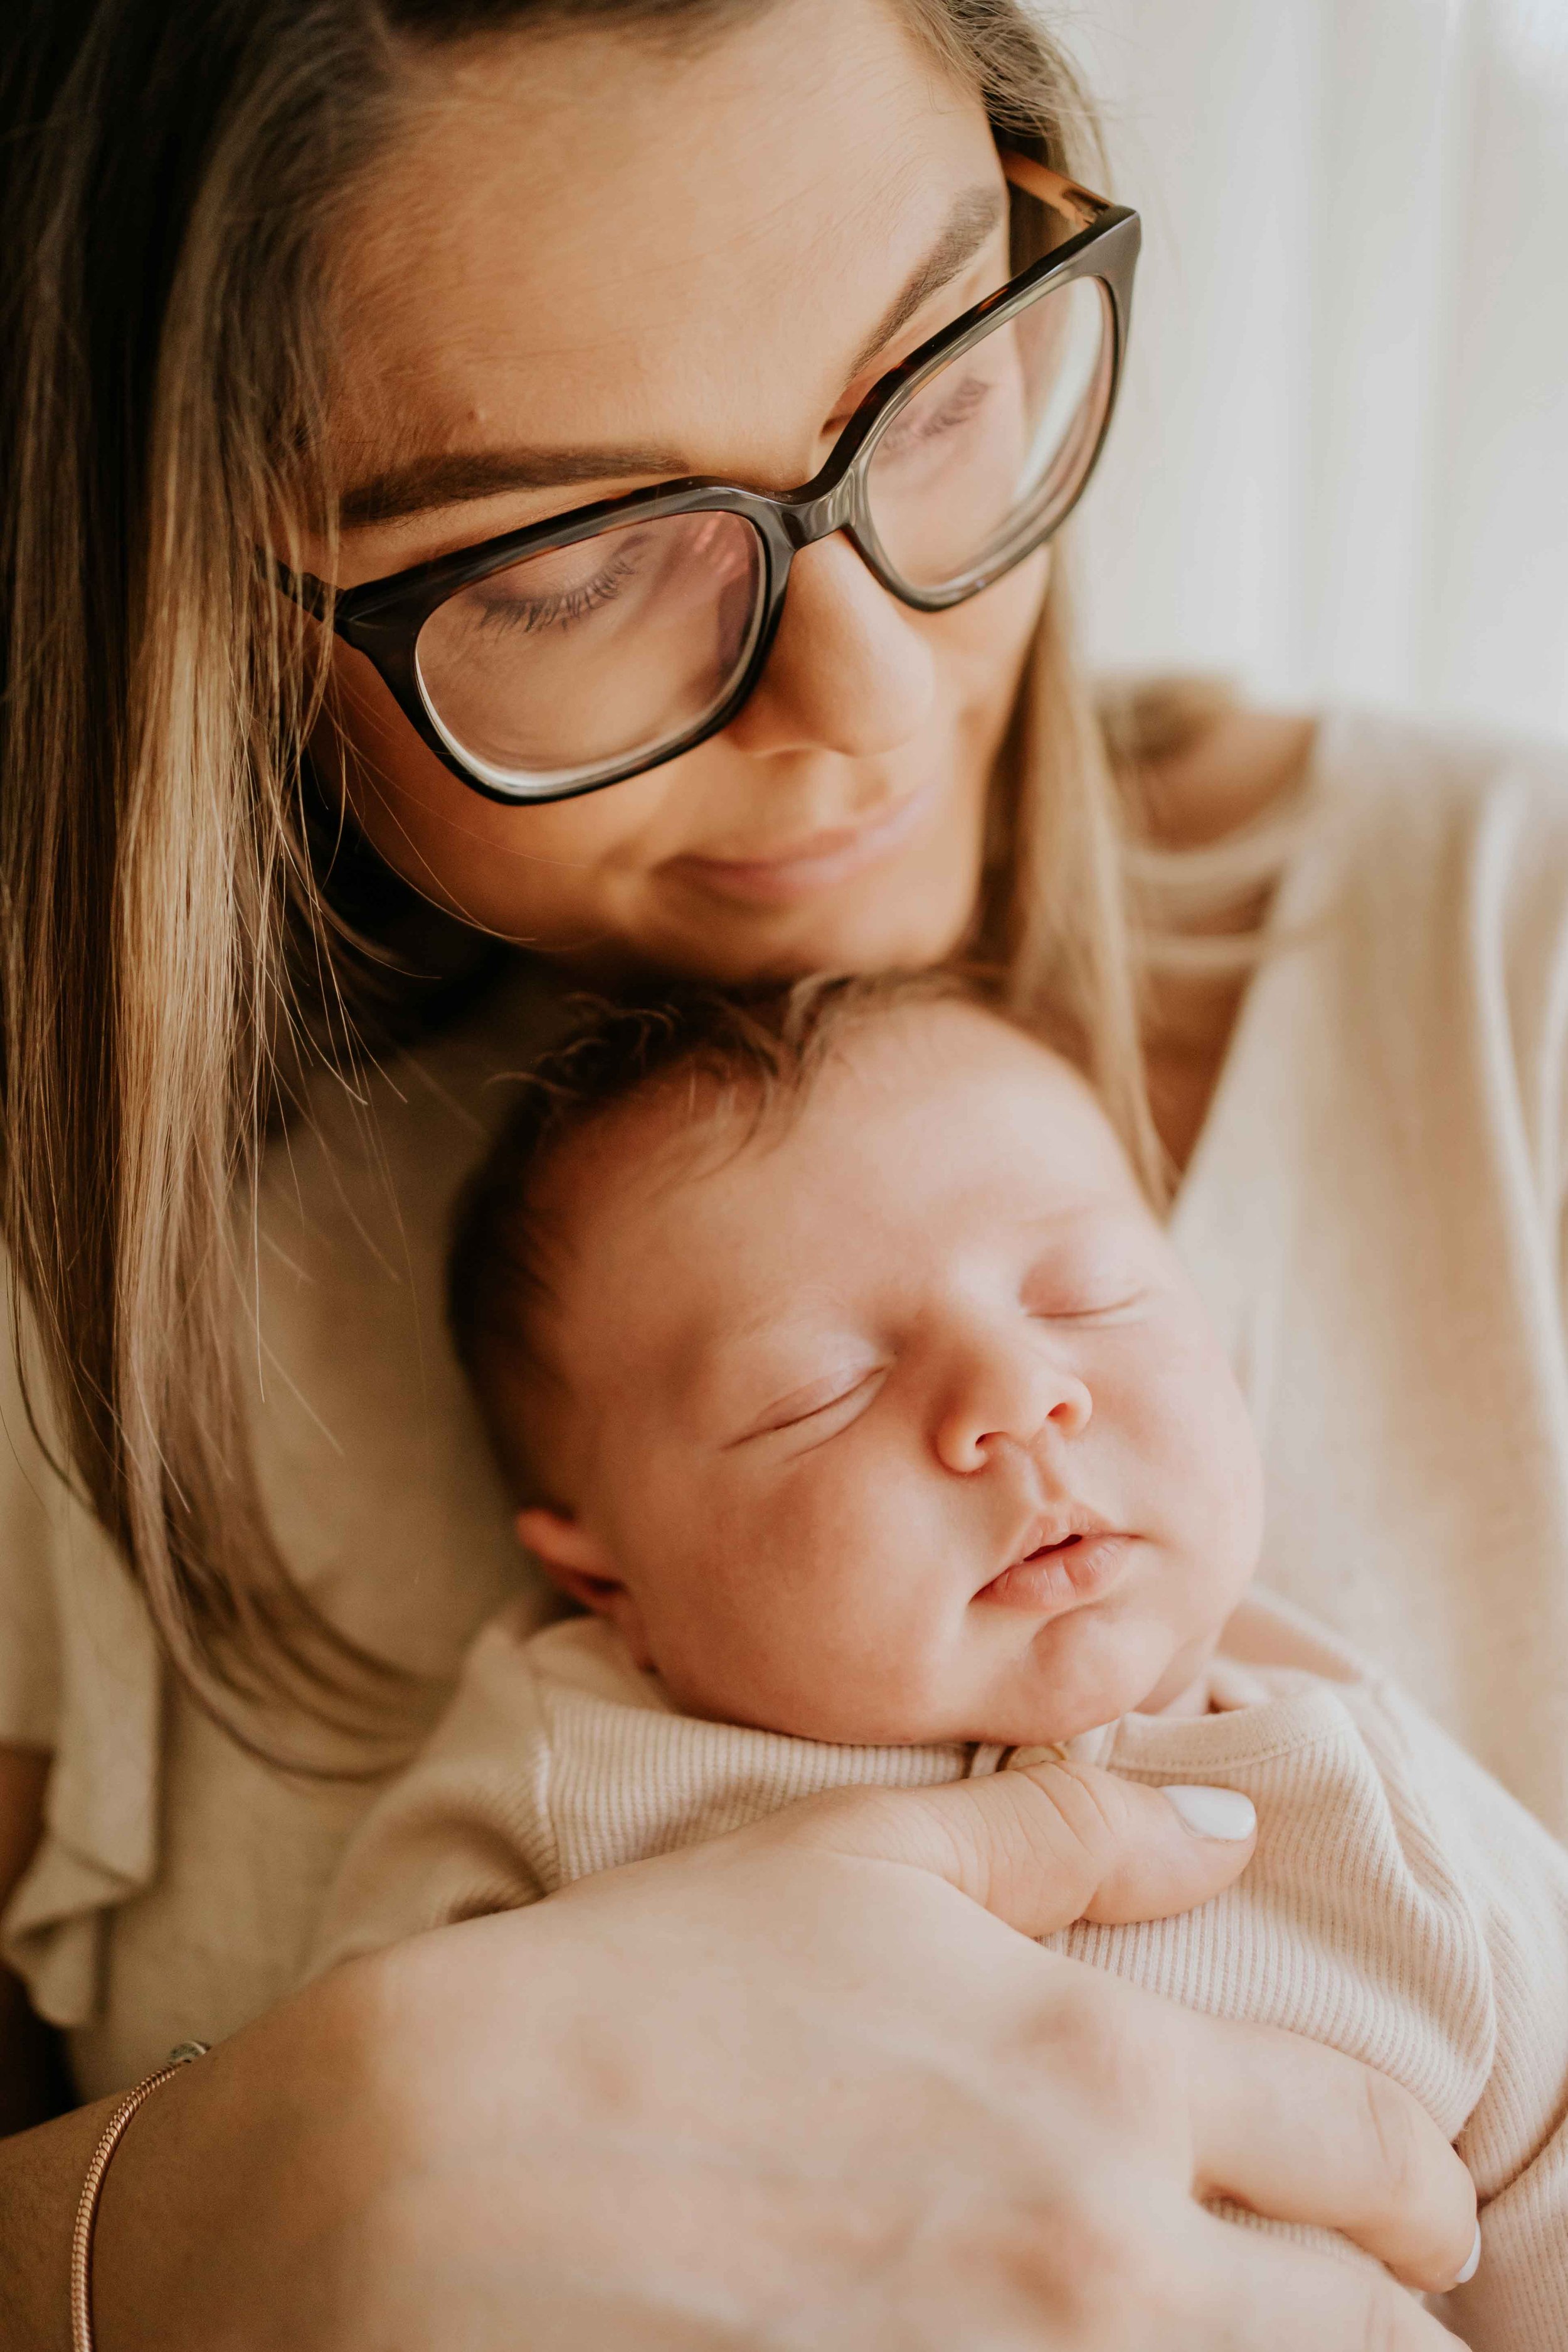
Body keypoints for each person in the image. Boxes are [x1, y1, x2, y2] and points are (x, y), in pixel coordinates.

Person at [0, 0, 1554, 2342]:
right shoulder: (76, 1259)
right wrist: (210, 2214)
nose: (875, 700)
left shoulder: (1511, 964)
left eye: (935, 389)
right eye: (553, 569)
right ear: (193, 584)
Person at [309, 974, 1568, 2346]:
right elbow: (357, 2148)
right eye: (817, 1389)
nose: (1018, 1398)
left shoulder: (1374, 1808)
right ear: (605, 1578)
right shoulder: (570, 1768)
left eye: (1089, 1298)